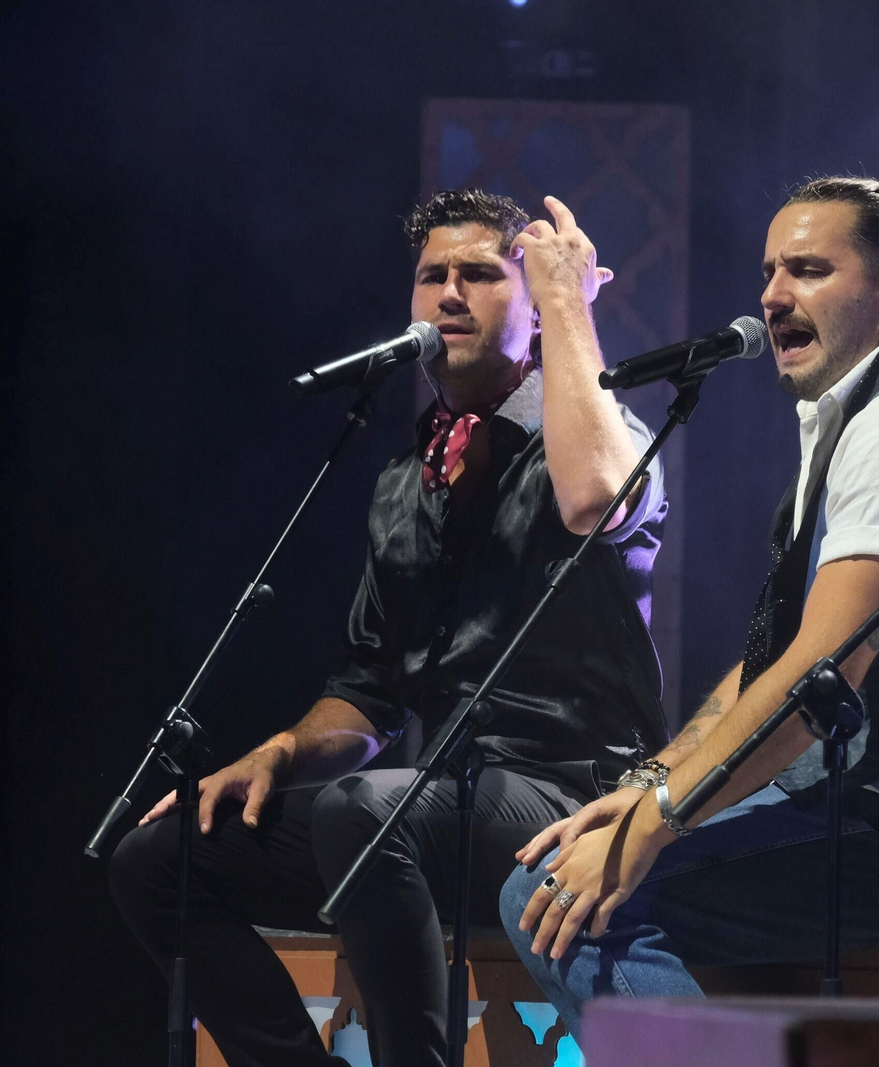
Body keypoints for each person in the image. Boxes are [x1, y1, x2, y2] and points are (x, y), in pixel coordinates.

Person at [498, 176, 879, 1043]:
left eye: (808, 269)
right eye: (771, 270)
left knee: (551, 890)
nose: (774, 295)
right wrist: (654, 784)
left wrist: (660, 822)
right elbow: (781, 657)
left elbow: (816, 679)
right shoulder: (858, 414)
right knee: (579, 863)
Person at [110, 188, 671, 1066]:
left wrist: (567, 305)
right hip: (425, 819)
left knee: (370, 811)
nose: (449, 292)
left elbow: (596, 494)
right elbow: (371, 689)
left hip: (573, 801)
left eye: (481, 274)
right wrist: (282, 751)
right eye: (430, 276)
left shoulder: (607, 435)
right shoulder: (405, 483)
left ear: (531, 302)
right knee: (158, 856)